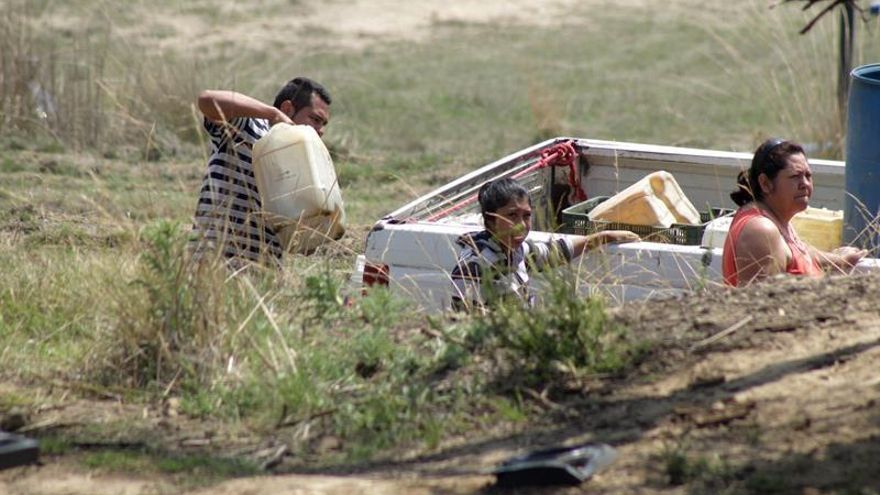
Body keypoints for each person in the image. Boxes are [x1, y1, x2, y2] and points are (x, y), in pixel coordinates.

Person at [189, 77, 332, 269]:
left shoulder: (307, 163)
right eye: (315, 119)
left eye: (323, 124)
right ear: (288, 109)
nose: (320, 130)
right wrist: (272, 114)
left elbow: (301, 244)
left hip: (263, 277)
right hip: (215, 265)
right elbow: (207, 100)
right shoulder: (250, 127)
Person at [450, 178, 640, 311]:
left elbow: (554, 252)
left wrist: (603, 237)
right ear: (491, 220)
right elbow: (467, 325)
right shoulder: (474, 265)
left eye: (527, 215)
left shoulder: (516, 251)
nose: (522, 225)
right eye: (512, 216)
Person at [722, 138, 867, 286]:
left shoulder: (777, 219)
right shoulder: (761, 231)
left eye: (808, 176)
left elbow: (798, 253)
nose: (805, 184)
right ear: (765, 183)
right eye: (795, 176)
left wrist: (837, 260)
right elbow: (760, 304)